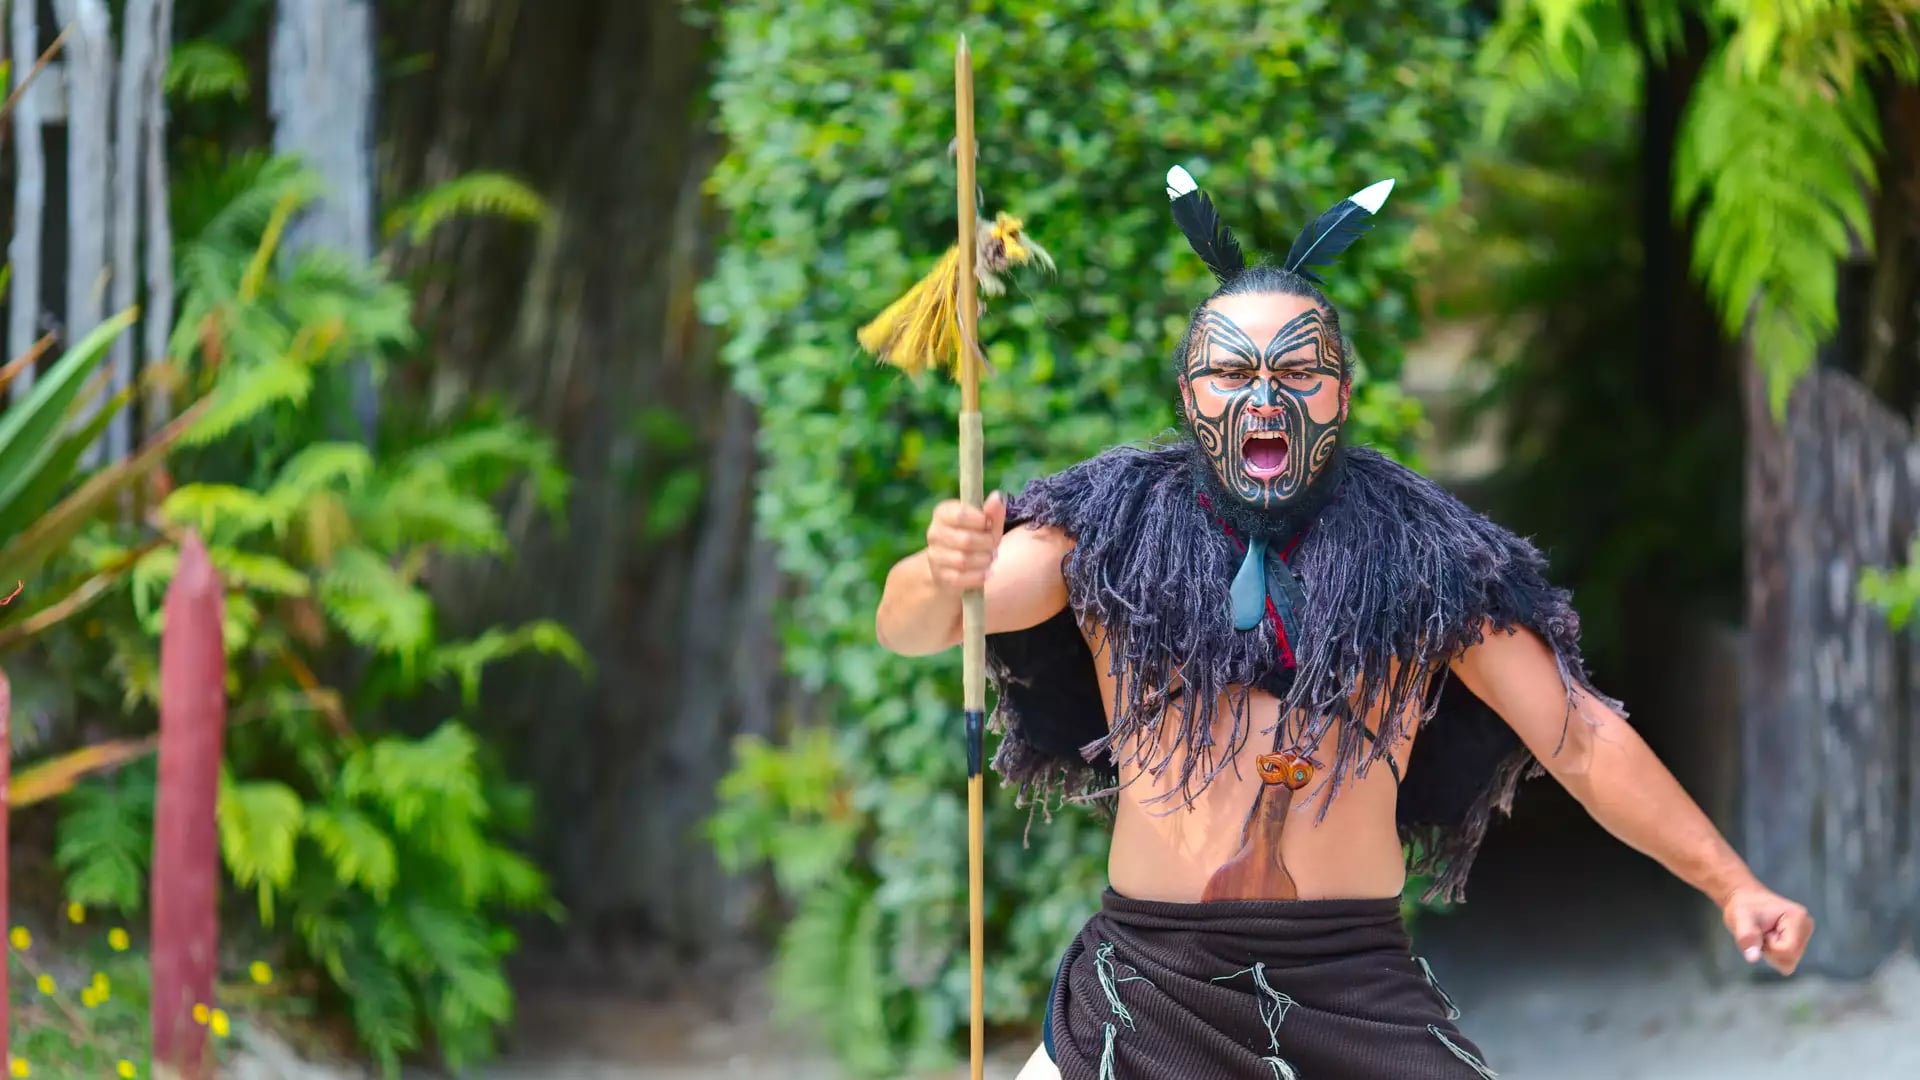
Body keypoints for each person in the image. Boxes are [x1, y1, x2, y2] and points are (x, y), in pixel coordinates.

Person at [872, 167, 1813, 1079]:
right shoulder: (1110, 531)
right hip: (1146, 990)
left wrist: (1733, 884)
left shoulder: (1425, 559)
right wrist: (935, 569)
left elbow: (1581, 738)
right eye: (1231, 372)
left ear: (1342, 394)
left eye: (1298, 372)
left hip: (1353, 987)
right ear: (1189, 395)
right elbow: (923, 625)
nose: (1265, 398)